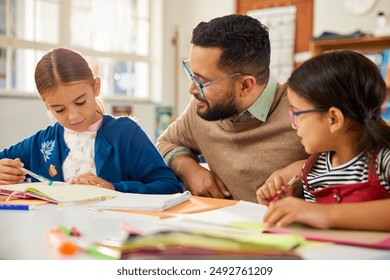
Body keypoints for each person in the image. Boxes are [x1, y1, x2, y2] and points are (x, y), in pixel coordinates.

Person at [156, 14, 307, 202]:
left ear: (245, 85)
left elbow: (349, 159)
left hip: (281, 229)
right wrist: (188, 169)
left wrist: (304, 168)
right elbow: (166, 143)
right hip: (222, 226)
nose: (191, 89)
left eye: (203, 82)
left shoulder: (302, 109)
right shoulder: (201, 108)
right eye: (192, 75)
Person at [0, 48, 182, 194]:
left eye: (80, 102)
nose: (73, 116)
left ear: (96, 87)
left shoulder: (125, 134)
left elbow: (169, 186)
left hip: (113, 235)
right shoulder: (43, 142)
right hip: (60, 235)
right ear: (47, 105)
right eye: (59, 109)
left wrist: (114, 188)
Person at [257, 50, 390, 231]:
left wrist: (321, 214)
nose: (293, 124)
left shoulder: (383, 161)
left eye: (297, 114)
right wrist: (289, 209)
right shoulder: (313, 171)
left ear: (334, 119)